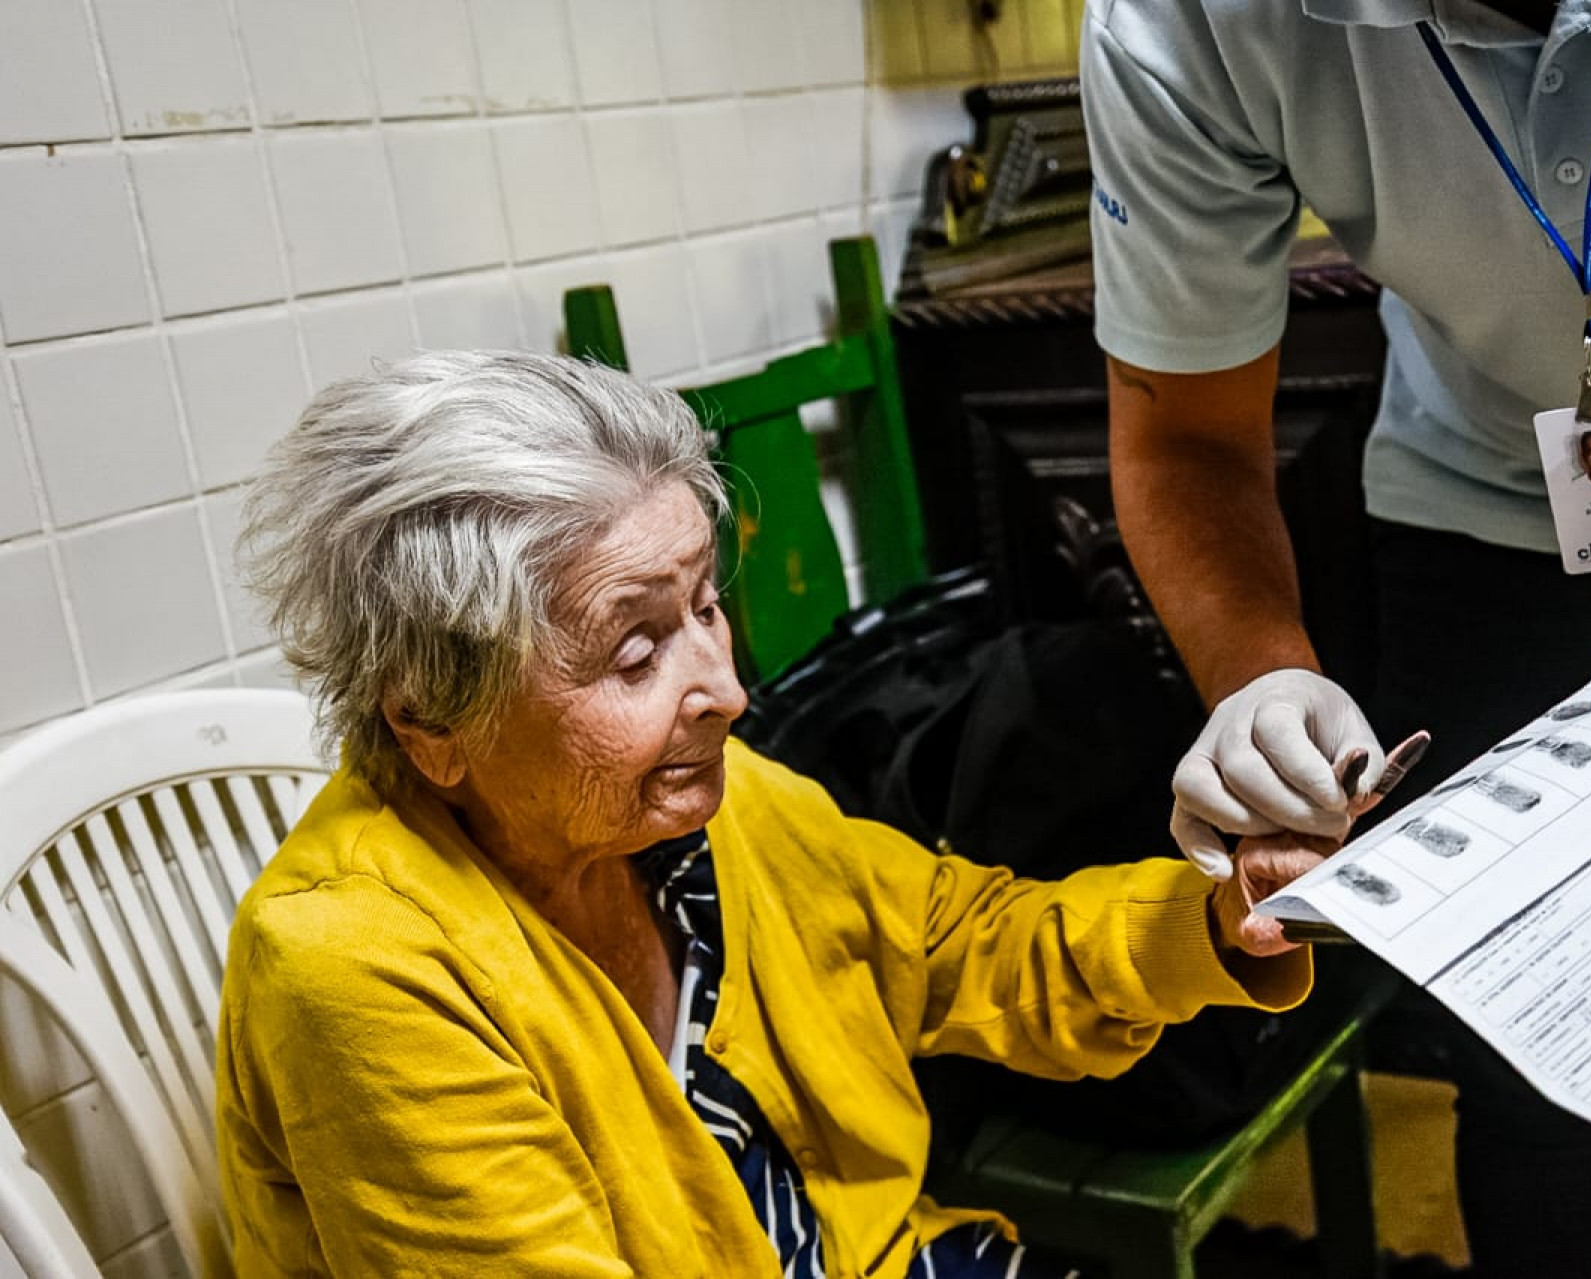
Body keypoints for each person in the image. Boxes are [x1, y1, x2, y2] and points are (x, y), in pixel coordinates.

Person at [1082, 2, 1591, 1276]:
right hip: (1482, 510)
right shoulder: (1185, 18)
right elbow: (1184, 437)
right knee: (1539, 1083)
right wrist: (1258, 675)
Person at [217, 350, 1331, 1278]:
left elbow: (967, 945)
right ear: (430, 716)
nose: (728, 687)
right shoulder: (352, 964)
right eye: (639, 649)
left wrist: (1221, 916)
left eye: (708, 605)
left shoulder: (713, 809)